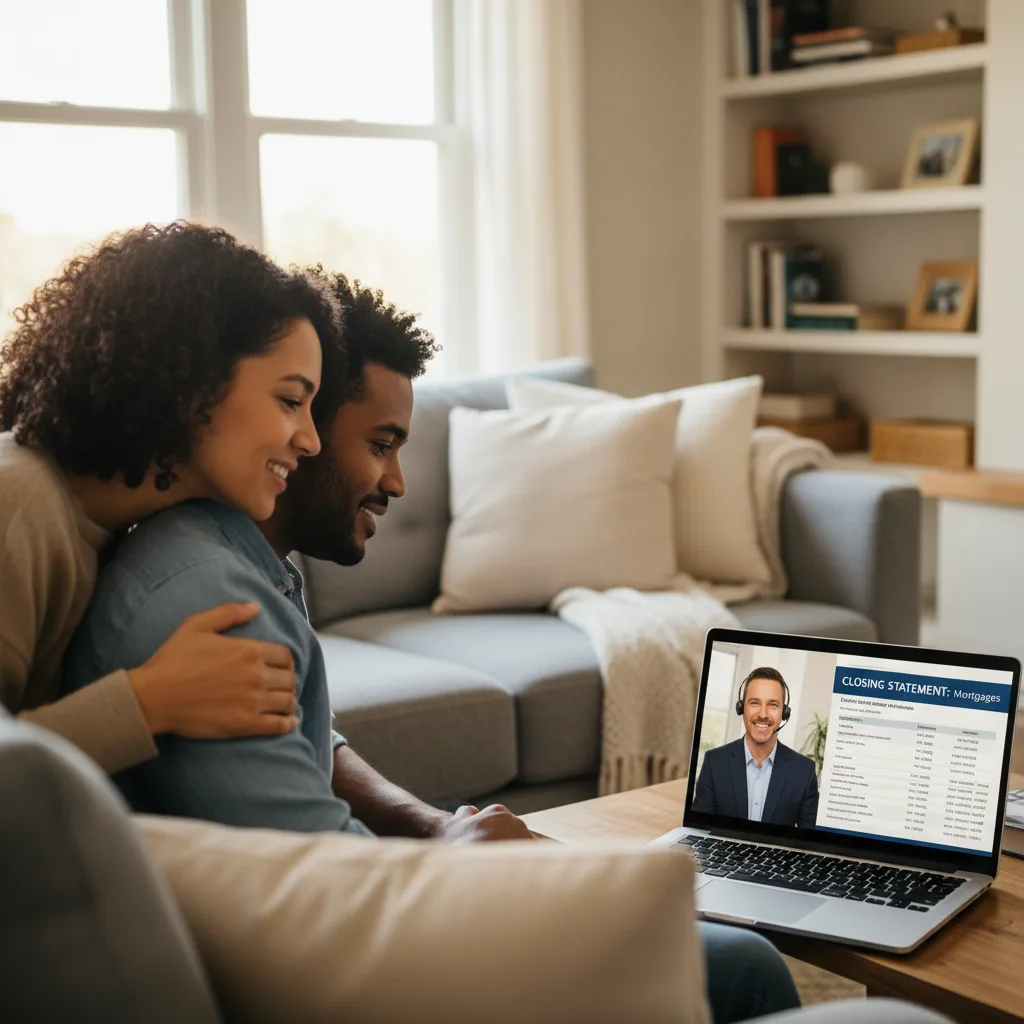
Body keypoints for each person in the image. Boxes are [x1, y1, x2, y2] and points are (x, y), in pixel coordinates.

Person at [67, 273, 801, 1022]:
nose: (397, 482)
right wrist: (461, 866)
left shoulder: (237, 559)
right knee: (741, 963)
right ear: (304, 428)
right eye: (381, 445)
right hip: (310, 971)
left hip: (295, 924)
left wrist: (436, 824)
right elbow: (338, 899)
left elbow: (306, 744)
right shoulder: (215, 605)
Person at [0, 220, 344, 772]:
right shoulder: (16, 505)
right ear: (191, 382)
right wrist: (150, 700)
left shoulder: (122, 523)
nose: (310, 440)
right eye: (288, 400)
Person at [692, 667, 819, 828]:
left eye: (773, 704)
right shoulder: (714, 762)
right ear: (741, 708)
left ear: (784, 713)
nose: (763, 714)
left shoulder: (804, 771)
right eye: (754, 703)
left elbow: (808, 843)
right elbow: (699, 830)